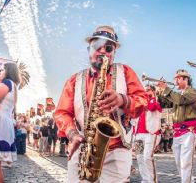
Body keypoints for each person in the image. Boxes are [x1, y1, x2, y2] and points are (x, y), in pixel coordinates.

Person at [54, 26, 147, 182]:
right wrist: (72, 134)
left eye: (108, 48)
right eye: (98, 46)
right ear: (89, 49)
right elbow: (62, 113)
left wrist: (122, 100)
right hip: (83, 148)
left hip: (117, 151)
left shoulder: (125, 72)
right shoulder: (74, 80)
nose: (103, 51)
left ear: (114, 53)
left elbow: (142, 101)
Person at [157, 69, 196, 183]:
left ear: (185, 79)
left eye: (178, 78)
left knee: (185, 162)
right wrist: (160, 91)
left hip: (189, 131)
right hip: (177, 132)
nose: (175, 80)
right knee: (179, 162)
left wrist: (166, 88)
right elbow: (164, 104)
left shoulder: (193, 92)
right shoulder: (176, 94)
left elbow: (181, 100)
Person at [135, 85, 162, 183]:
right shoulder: (142, 101)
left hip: (150, 132)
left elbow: (152, 107)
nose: (145, 92)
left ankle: (152, 181)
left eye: (148, 90)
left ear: (153, 91)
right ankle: (145, 180)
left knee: (147, 157)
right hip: (138, 134)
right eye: (144, 90)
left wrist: (153, 96)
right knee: (139, 158)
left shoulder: (156, 100)